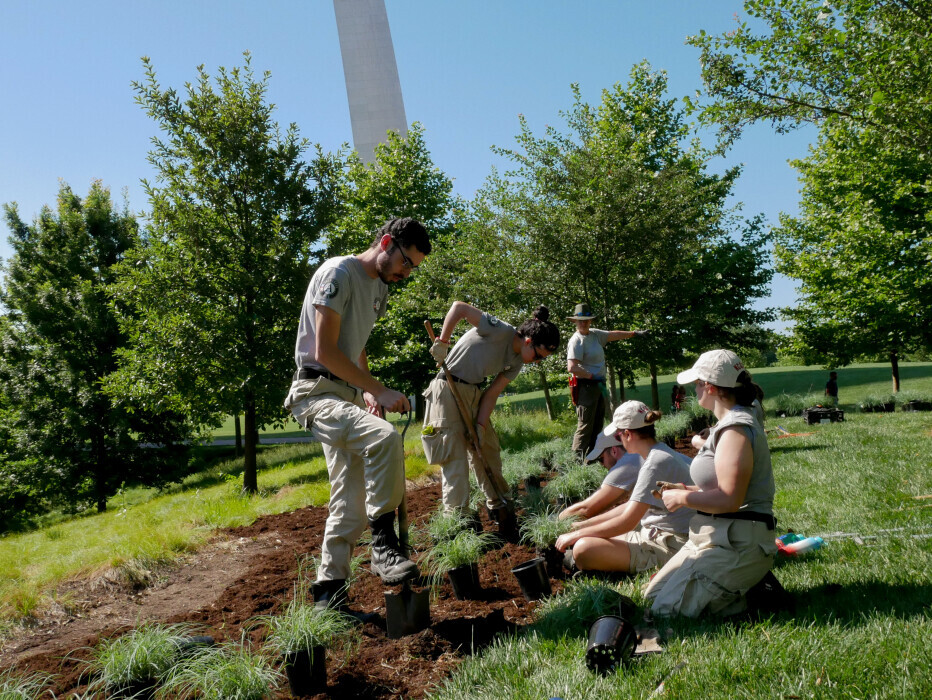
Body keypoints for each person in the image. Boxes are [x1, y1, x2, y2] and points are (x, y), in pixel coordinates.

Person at [283, 218, 431, 611]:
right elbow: (325, 352)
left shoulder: (379, 288)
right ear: (385, 243)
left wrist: (367, 390)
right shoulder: (338, 273)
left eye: (413, 267)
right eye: (406, 262)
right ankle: (384, 547)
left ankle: (328, 593)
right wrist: (376, 388)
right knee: (383, 437)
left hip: (346, 395)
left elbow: (356, 344)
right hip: (316, 393)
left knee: (347, 499)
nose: (407, 272)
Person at [645, 349, 777, 618]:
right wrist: (688, 490)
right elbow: (726, 489)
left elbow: (730, 499)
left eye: (696, 384)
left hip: (739, 541)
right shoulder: (727, 424)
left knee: (666, 612)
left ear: (710, 387)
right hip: (713, 535)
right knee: (653, 597)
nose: (694, 390)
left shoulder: (735, 430)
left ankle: (753, 590)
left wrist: (682, 499)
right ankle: (738, 587)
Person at [422, 302, 560, 530]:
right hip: (447, 388)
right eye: (538, 356)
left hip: (474, 393)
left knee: (487, 449)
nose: (537, 362)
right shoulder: (500, 330)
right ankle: (457, 521)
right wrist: (443, 342)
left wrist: (480, 426)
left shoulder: (516, 364)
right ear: (528, 341)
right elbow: (459, 308)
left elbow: (491, 394)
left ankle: (500, 505)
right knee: (455, 456)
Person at [555, 401, 694, 576]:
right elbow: (631, 507)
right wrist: (581, 526)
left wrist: (577, 534)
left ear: (627, 434)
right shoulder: (658, 453)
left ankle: (600, 569)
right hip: (655, 535)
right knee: (588, 540)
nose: (620, 440)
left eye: (619, 436)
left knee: (583, 548)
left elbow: (627, 521)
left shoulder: (654, 463)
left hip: (670, 546)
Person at [566, 303, 646, 461]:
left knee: (598, 422)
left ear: (590, 321)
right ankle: (575, 462)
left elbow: (613, 335)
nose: (584, 323)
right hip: (586, 386)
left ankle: (591, 458)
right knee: (585, 425)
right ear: (575, 321)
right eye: (580, 320)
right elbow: (572, 367)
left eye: (587, 320)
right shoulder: (577, 341)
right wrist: (590, 376)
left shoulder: (594, 334)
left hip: (599, 384)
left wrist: (634, 333)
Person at [558, 431, 643, 522]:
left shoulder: (626, 464)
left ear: (614, 451)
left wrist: (560, 518)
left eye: (601, 459)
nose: (601, 464)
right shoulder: (641, 453)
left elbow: (586, 509)